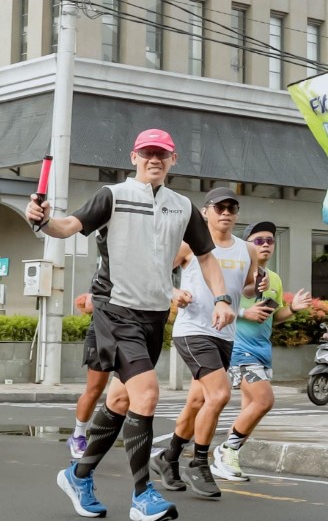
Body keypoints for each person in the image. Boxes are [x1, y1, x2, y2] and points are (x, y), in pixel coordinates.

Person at [27, 128, 230, 521]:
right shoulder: (113, 195)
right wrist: (42, 220)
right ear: (134, 157)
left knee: (120, 400)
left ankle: (78, 474)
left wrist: (221, 298)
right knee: (147, 395)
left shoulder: (182, 206)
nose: (155, 159)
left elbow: (205, 256)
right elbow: (67, 226)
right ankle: (142, 496)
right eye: (147, 153)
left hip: (153, 315)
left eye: (162, 154)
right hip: (114, 309)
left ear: (174, 160)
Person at [152, 187, 260, 499]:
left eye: (232, 208)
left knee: (199, 401)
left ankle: (168, 457)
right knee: (221, 393)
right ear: (205, 212)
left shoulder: (247, 250)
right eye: (220, 207)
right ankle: (199, 462)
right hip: (193, 330)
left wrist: (257, 283)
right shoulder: (188, 246)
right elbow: (158, 273)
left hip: (225, 334)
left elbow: (249, 287)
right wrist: (173, 293)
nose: (226, 213)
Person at [211, 221, 314, 482]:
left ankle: (225, 458)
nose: (265, 244)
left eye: (270, 240)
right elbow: (217, 309)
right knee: (264, 400)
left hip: (262, 352)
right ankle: (225, 450)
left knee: (252, 409)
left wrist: (293, 309)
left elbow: (273, 317)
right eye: (258, 240)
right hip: (238, 349)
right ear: (247, 246)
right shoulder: (234, 273)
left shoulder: (274, 278)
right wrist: (246, 312)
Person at [66, 293, 110, 459]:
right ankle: (78, 436)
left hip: (129, 335)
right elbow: (90, 304)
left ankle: (141, 442)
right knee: (94, 390)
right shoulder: (106, 273)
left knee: (135, 392)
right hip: (101, 335)